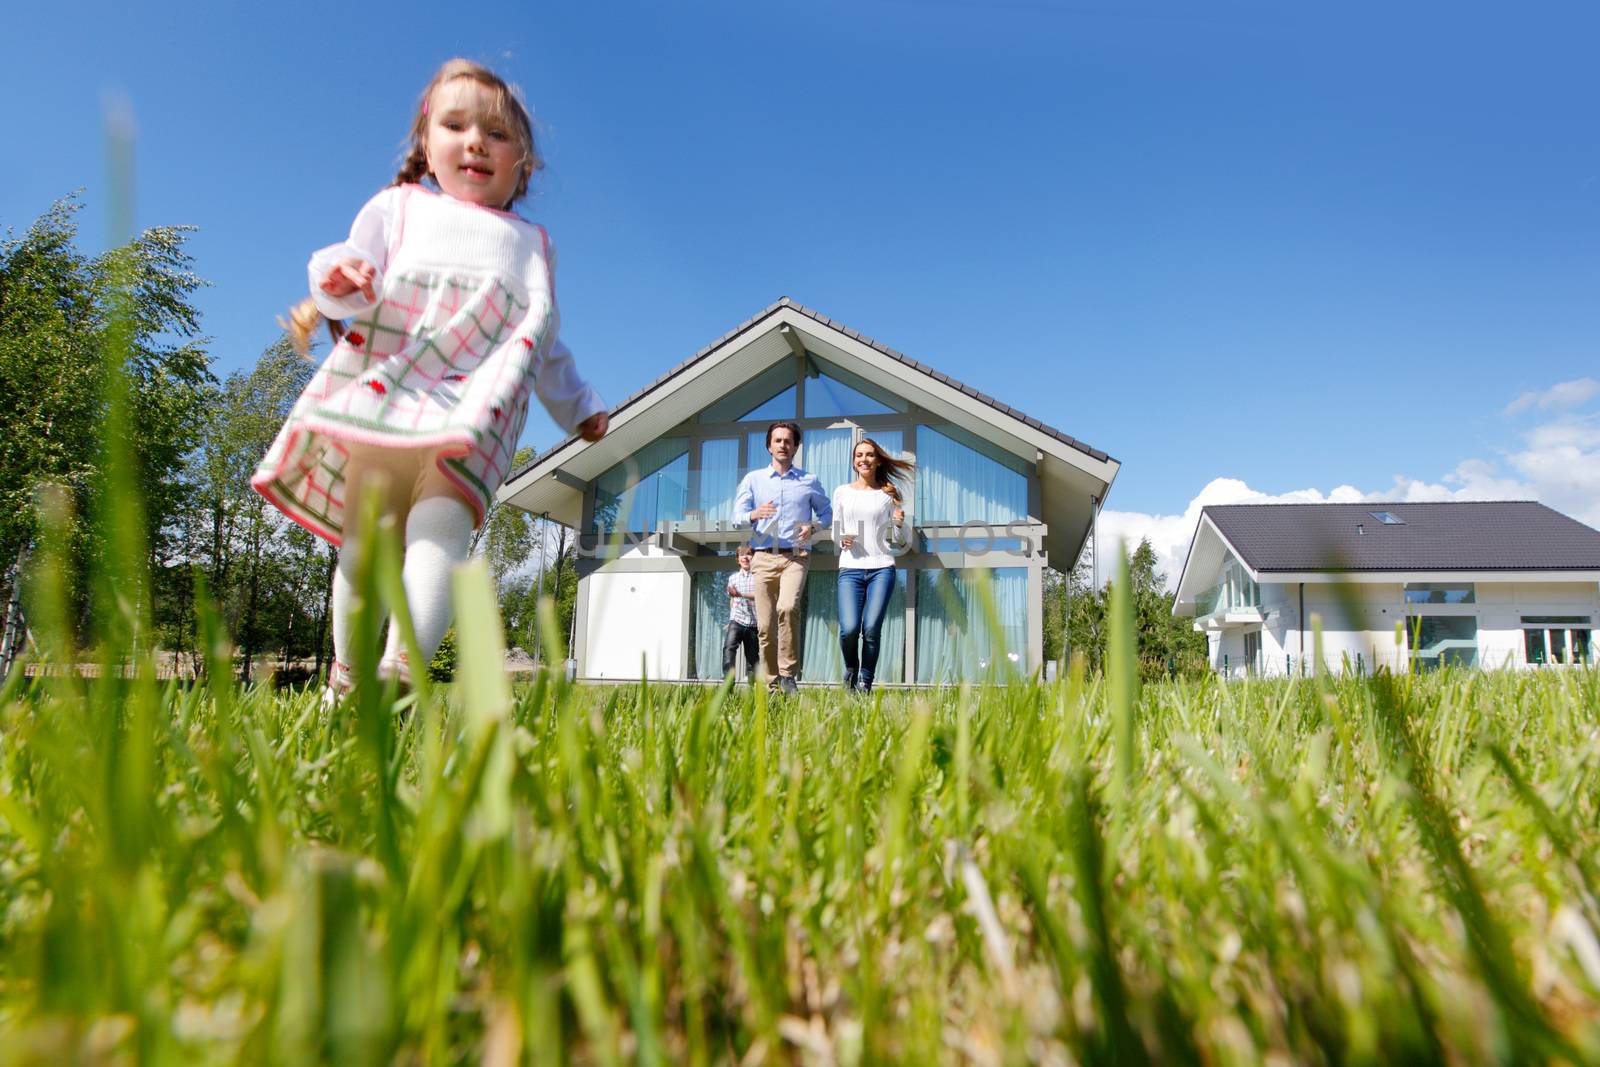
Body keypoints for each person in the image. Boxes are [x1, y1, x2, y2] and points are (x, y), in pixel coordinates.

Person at [251, 59, 608, 699]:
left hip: (474, 411)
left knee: (440, 533)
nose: (476, 141)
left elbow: (542, 337)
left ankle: (404, 668)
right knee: (363, 548)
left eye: (497, 134)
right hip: (388, 396)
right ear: (426, 140)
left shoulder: (533, 244)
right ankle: (349, 675)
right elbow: (347, 270)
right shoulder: (398, 209)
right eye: (456, 124)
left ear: (524, 161)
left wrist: (576, 402)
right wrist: (339, 284)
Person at [732, 421, 832, 694]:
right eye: (777, 440)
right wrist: (753, 515)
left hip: (796, 556)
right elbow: (736, 518)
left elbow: (827, 514)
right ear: (769, 446)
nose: (783, 445)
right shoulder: (753, 479)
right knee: (764, 625)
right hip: (763, 557)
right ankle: (772, 683)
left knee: (787, 608)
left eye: (788, 441)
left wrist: (813, 526)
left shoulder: (808, 481)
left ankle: (788, 676)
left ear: (796, 447)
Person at [832, 438, 912, 692]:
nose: (863, 459)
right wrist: (841, 538)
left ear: (877, 460)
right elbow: (835, 530)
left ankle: (866, 681)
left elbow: (898, 541)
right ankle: (851, 670)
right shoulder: (842, 491)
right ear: (854, 461)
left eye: (868, 455)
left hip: (882, 568)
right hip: (850, 568)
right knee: (849, 629)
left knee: (871, 628)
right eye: (859, 455)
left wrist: (898, 524)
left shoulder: (888, 494)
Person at [722, 543, 758, 681]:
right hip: (736, 620)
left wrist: (740, 594)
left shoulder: (758, 577)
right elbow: (732, 599)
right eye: (742, 555)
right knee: (728, 649)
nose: (745, 557)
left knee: (753, 658)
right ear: (738, 559)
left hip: (754, 623)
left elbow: (759, 595)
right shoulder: (733, 578)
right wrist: (730, 619)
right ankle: (727, 685)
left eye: (748, 554)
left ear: (753, 557)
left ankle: (753, 690)